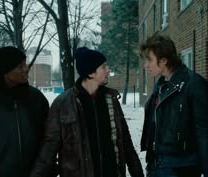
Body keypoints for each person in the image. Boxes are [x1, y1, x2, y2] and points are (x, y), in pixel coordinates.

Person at [29, 47, 144, 177]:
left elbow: (125, 141)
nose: (108, 70)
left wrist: (138, 173)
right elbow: (49, 147)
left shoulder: (110, 99)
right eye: (103, 67)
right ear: (90, 73)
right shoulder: (63, 103)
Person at [0, 46, 50, 177]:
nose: (26, 69)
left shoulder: (37, 99)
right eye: (20, 66)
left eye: (25, 64)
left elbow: (48, 142)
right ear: (6, 72)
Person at [140, 32, 208, 177]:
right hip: (156, 165)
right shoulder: (161, 86)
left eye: (149, 60)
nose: (146, 65)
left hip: (180, 168)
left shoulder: (194, 84)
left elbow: (204, 131)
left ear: (163, 60)